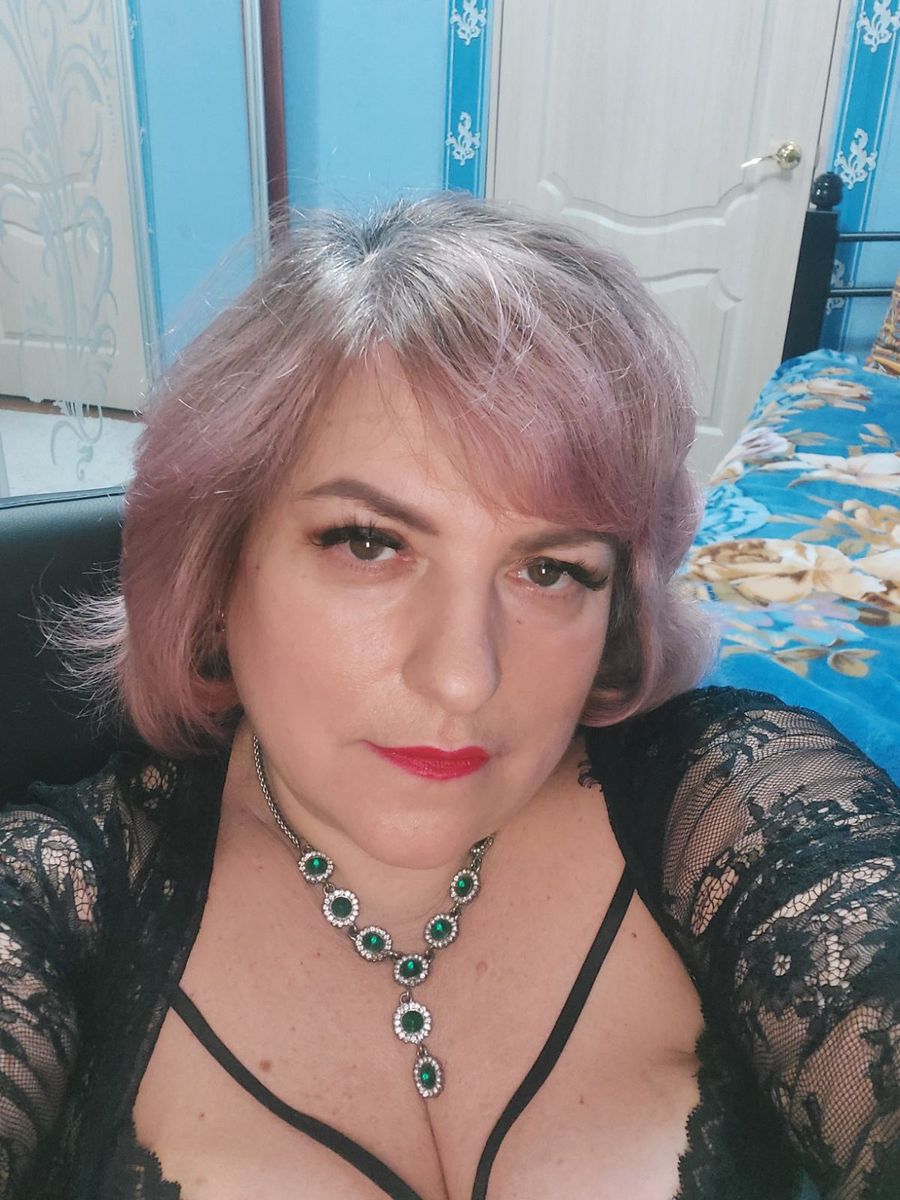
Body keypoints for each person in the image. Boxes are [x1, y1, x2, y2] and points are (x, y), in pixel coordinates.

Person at [0, 194, 897, 1200]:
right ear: (215, 571)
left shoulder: (731, 807)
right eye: (368, 543)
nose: (466, 676)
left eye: (551, 570)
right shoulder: (59, 895)